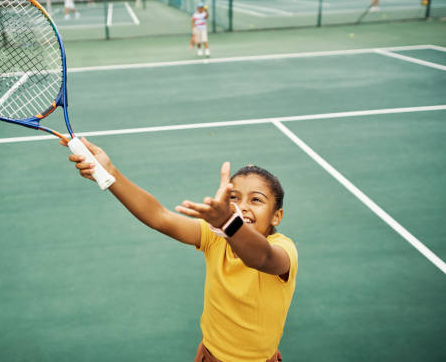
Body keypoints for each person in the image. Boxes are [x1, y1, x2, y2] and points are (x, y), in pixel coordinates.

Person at [64, 137, 297, 362]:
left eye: (256, 200)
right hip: (209, 355)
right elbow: (160, 217)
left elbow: (262, 257)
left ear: (277, 215)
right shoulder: (216, 237)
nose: (242, 207)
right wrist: (111, 173)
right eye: (233, 197)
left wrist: (228, 221)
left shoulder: (283, 250)